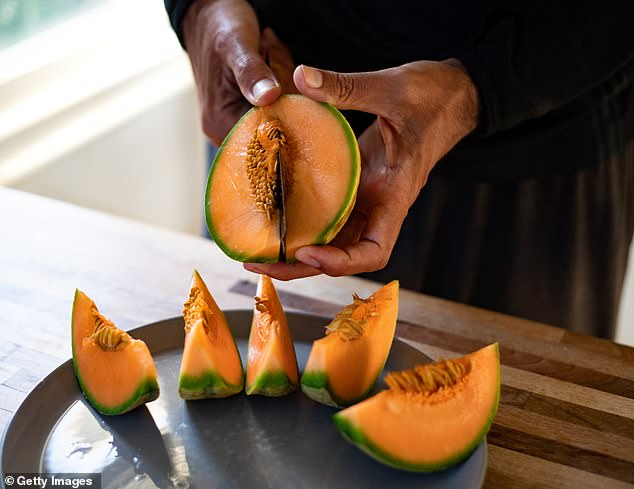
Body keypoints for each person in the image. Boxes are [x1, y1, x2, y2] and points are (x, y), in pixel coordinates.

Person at [164, 0, 634, 339]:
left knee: (517, 422)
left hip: (533, 136)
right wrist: (198, 8)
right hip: (263, 95)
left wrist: (483, 86)